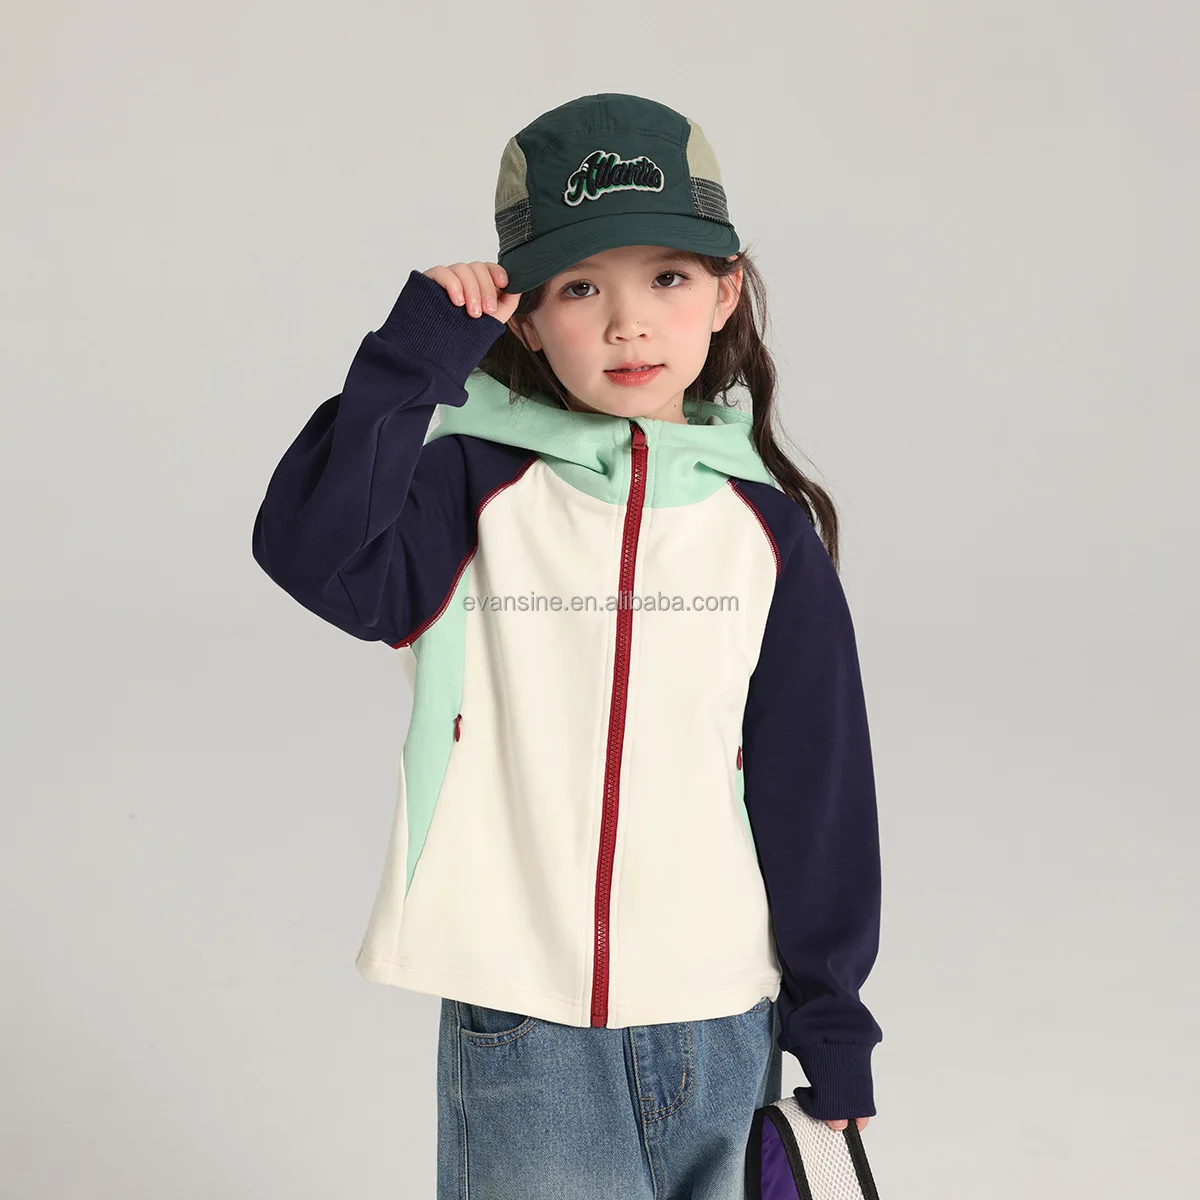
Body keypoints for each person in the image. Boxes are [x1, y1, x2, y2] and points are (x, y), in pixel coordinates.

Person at [252, 92, 883, 1199]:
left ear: (726, 290)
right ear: (526, 319)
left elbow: (815, 784)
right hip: (524, 1026)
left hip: (721, 1022)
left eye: (667, 277)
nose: (629, 323)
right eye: (581, 287)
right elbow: (314, 553)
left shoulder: (766, 532)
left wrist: (831, 1020)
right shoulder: (471, 491)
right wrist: (413, 359)